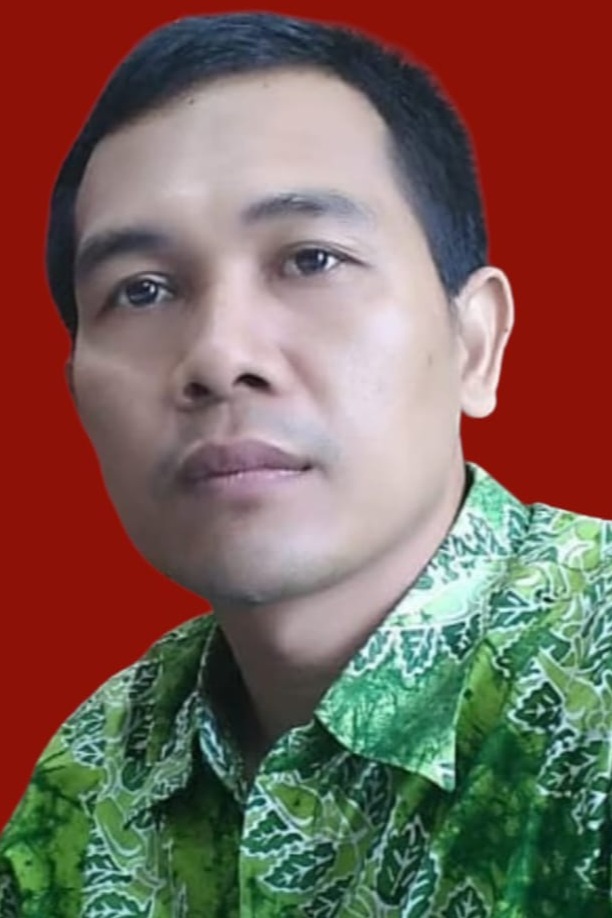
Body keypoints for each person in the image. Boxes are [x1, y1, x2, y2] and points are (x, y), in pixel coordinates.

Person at [1, 10, 610, 917]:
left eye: (312, 259)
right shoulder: (90, 778)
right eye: (143, 290)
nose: (219, 356)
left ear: (475, 341)